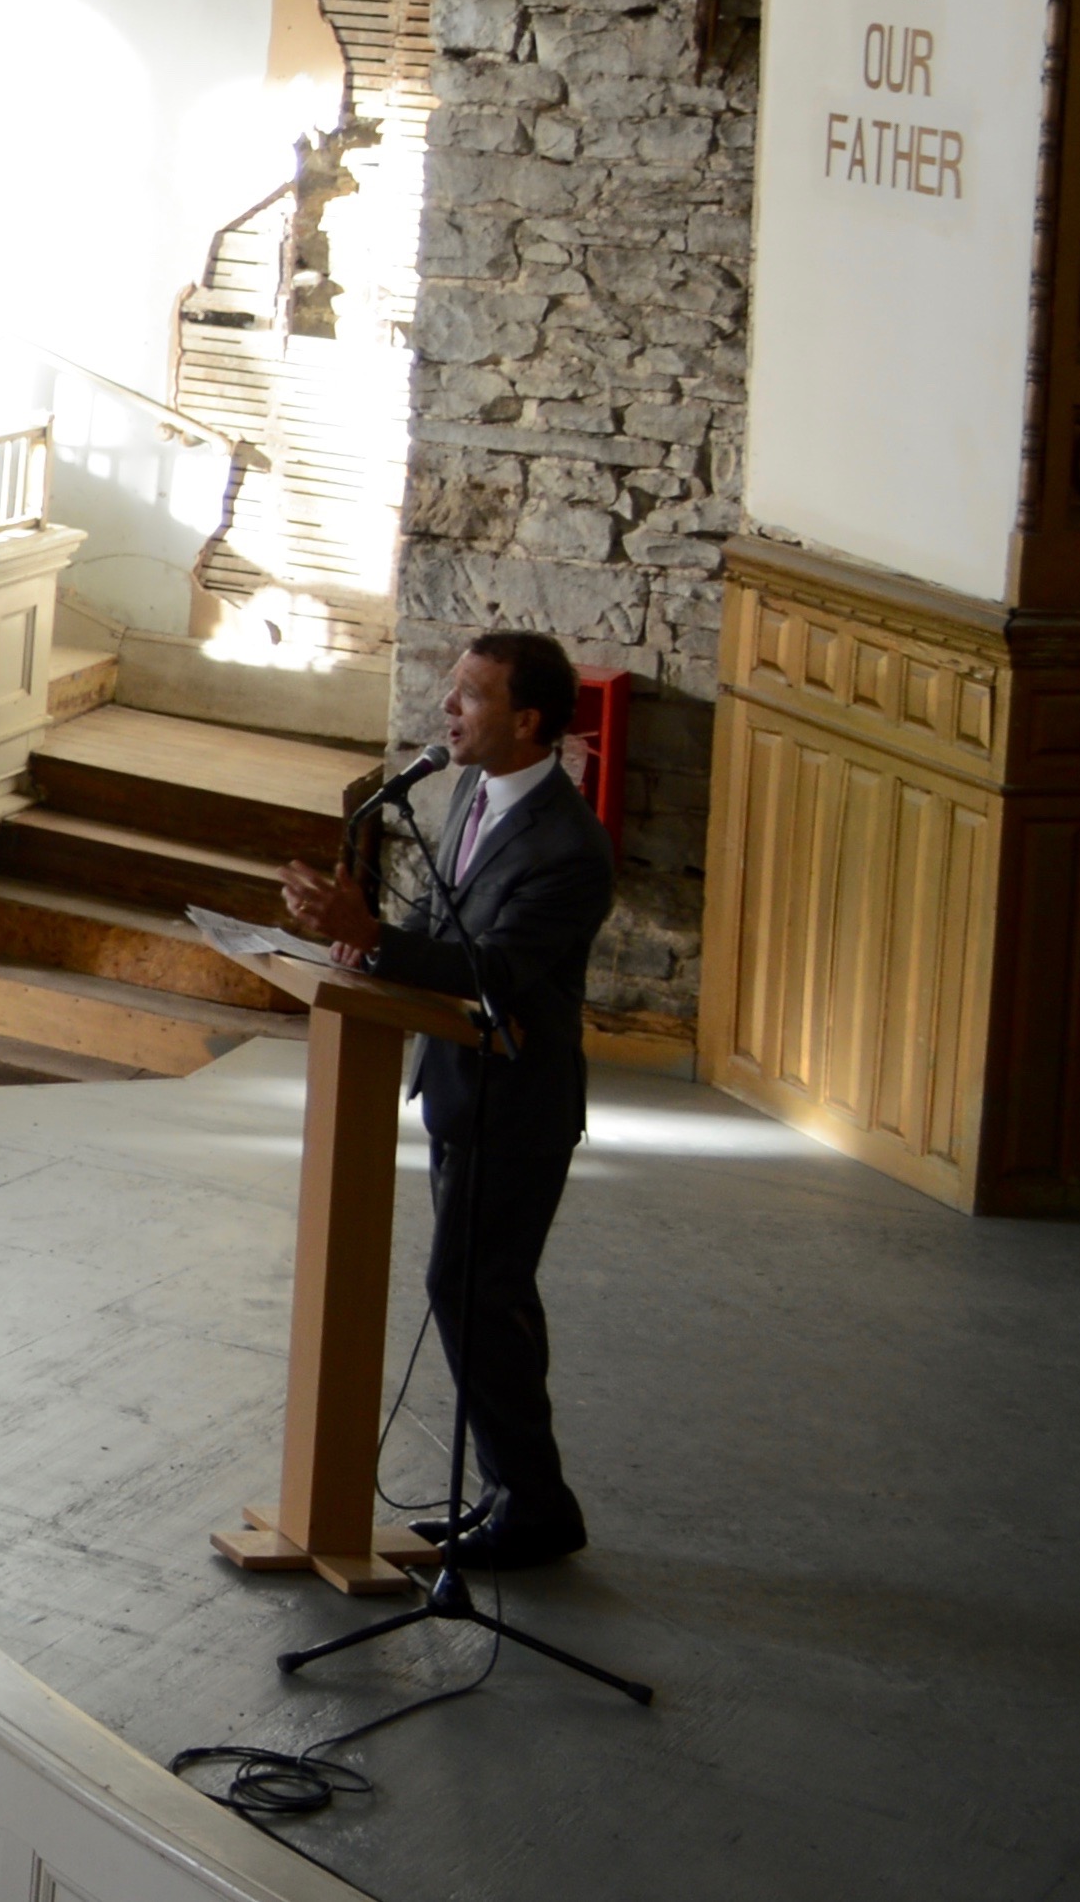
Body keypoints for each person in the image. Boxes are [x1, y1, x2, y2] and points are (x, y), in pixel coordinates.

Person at [277, 625, 620, 1571]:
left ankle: (536, 1507)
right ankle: (520, 1496)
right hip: (458, 1091)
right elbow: (439, 925)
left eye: (468, 695)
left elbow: (499, 969)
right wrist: (358, 938)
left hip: (518, 1101)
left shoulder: (570, 848)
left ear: (528, 720)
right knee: (484, 1295)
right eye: (452, 689)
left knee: (472, 1292)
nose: (446, 708)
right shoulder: (469, 790)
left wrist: (377, 938)